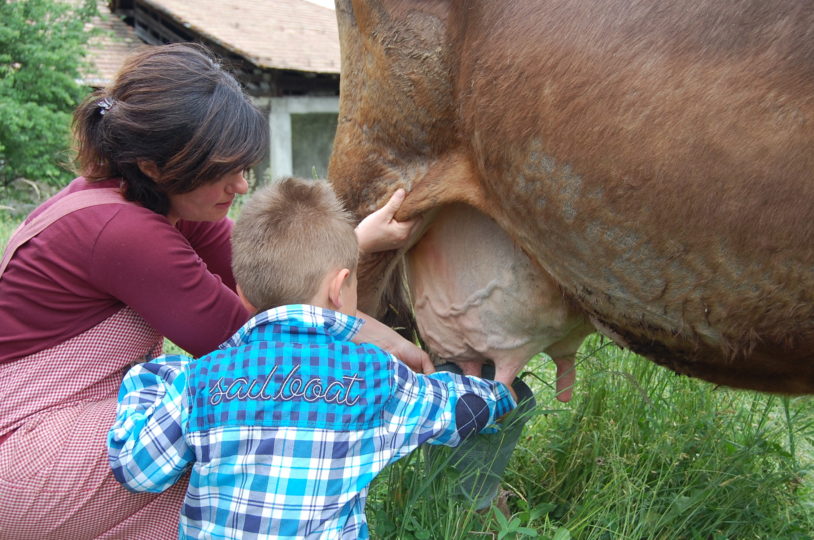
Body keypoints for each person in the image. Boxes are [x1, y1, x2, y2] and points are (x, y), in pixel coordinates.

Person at [0, 43, 429, 539]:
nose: (242, 186)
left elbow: (272, 284)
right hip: (24, 450)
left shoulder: (163, 205)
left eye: (243, 167)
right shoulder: (124, 232)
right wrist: (389, 347)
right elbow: (266, 346)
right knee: (240, 434)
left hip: (72, 425)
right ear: (154, 166)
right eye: (222, 171)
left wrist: (355, 241)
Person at [107, 177, 517, 539]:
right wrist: (498, 393)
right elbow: (456, 409)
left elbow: (138, 470)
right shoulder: (375, 378)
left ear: (243, 294)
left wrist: (150, 378)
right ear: (340, 289)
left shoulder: (200, 382)